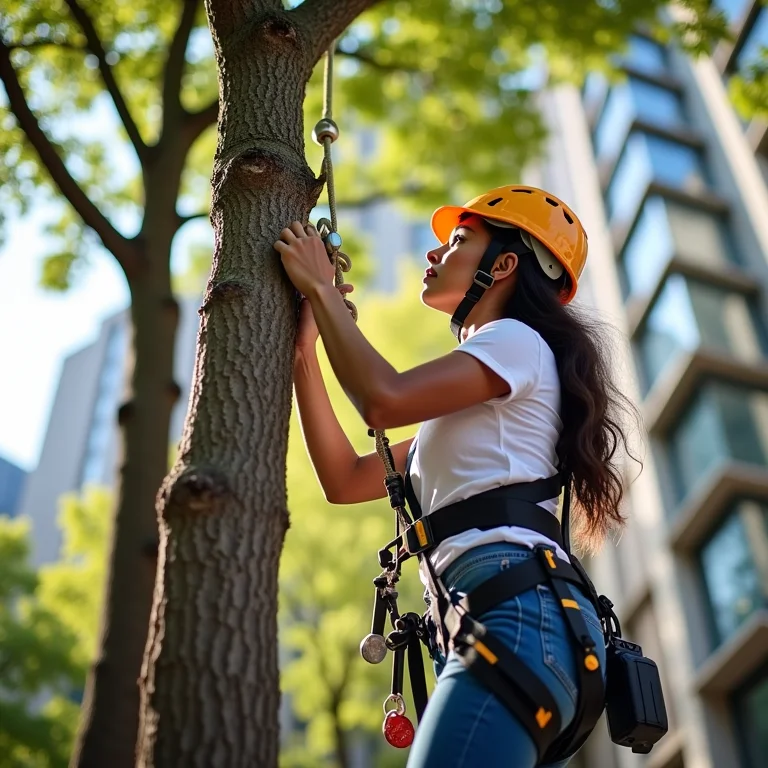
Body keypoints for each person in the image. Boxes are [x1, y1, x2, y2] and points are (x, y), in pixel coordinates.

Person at [275, 185, 639, 767]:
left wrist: (321, 288)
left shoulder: (517, 342)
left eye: (459, 240)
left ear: (504, 265)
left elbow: (382, 398)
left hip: (513, 612)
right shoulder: (469, 418)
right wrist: (303, 353)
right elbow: (344, 480)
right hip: (504, 618)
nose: (434, 252)